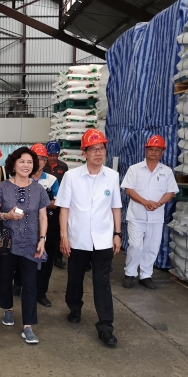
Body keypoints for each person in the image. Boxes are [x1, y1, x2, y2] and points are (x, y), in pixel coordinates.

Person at [55, 129, 122, 347]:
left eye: (101, 148)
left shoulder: (112, 176)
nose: (98, 153)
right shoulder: (71, 177)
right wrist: (64, 236)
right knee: (75, 278)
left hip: (103, 239)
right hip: (78, 238)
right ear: (84, 153)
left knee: (102, 282)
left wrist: (117, 234)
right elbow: (64, 208)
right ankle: (74, 307)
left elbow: (116, 207)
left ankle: (106, 326)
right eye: (93, 149)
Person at [0, 147, 49, 344]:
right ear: (14, 164)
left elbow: (43, 216)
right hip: (8, 242)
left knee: (30, 284)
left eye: (29, 162)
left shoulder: (39, 189)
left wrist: (42, 239)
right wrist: (7, 216)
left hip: (30, 243)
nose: (26, 165)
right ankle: (8, 309)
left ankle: (28, 326)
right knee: (5, 278)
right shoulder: (2, 187)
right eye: (22, 161)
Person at [121, 135, 178, 290]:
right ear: (145, 150)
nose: (153, 152)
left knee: (151, 247)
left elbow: (171, 191)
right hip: (136, 215)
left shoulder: (166, 171)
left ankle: (146, 275)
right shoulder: (134, 169)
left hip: (156, 217)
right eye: (151, 149)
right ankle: (130, 273)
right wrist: (144, 202)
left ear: (162, 152)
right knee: (135, 245)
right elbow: (128, 189)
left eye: (157, 150)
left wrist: (159, 203)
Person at [29, 143, 59, 307]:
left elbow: (57, 202)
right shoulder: (23, 177)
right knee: (24, 258)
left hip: (47, 224)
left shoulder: (51, 180)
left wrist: (41, 203)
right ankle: (21, 285)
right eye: (36, 158)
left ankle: (41, 293)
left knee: (46, 261)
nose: (39, 162)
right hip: (26, 225)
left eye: (42, 159)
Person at [45, 140, 69, 268]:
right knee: (46, 230)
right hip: (45, 203)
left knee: (58, 230)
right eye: (50, 155)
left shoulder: (63, 167)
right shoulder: (43, 166)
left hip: (58, 204)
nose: (52, 158)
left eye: (55, 155)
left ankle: (58, 257)